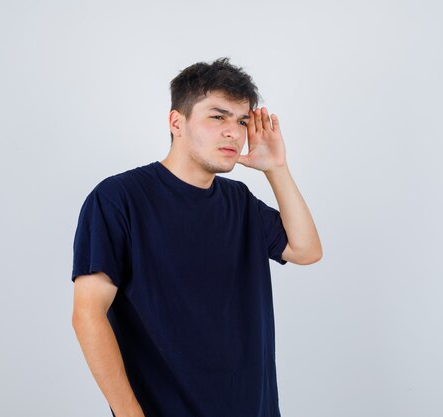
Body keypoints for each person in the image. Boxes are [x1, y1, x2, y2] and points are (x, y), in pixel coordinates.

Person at [70, 57, 322, 417]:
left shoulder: (240, 203)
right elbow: (87, 314)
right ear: (177, 122)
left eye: (242, 121)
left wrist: (276, 169)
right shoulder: (118, 198)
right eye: (217, 117)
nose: (233, 132)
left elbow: (306, 250)